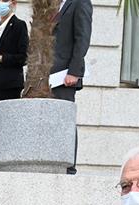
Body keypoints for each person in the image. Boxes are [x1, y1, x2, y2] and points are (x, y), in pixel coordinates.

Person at [50, 0, 92, 172]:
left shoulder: (81, 2)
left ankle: (69, 167)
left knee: (65, 120)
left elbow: (82, 38)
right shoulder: (54, 5)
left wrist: (74, 71)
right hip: (48, 74)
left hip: (65, 75)